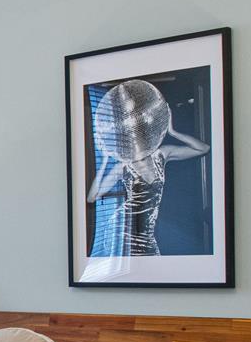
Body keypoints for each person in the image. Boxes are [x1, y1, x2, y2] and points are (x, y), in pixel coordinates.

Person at [87, 78, 208, 257]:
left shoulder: (162, 154)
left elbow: (203, 148)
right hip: (123, 230)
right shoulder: (124, 165)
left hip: (147, 234)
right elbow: (92, 197)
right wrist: (105, 160)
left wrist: (173, 132)